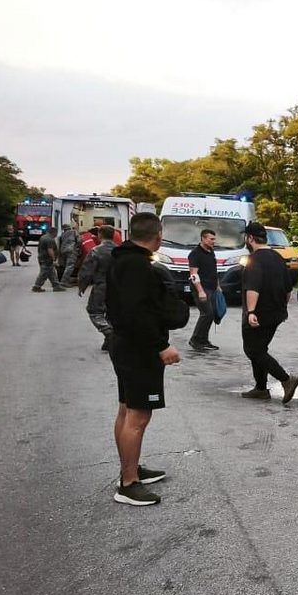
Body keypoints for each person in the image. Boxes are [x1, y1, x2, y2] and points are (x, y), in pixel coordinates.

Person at [106, 212, 186, 507]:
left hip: (125, 344)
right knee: (138, 416)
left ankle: (131, 466)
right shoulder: (138, 266)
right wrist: (162, 345)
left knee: (127, 409)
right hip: (138, 349)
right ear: (158, 236)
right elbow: (136, 313)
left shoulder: (121, 259)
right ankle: (128, 483)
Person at [240, 221, 298, 403]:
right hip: (276, 314)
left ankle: (286, 380)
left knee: (253, 350)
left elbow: (253, 287)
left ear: (250, 238)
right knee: (259, 349)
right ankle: (260, 388)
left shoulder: (255, 260)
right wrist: (282, 307)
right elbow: (289, 288)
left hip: (258, 314)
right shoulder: (278, 258)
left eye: (246, 237)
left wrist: (251, 312)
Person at [77, 225, 117, 351]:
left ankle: (108, 332)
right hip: (117, 287)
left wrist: (82, 286)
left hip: (101, 286)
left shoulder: (96, 251)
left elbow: (87, 271)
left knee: (94, 311)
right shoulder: (120, 251)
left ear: (100, 235)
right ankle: (109, 342)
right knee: (112, 312)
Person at [188, 229, 220, 352]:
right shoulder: (195, 254)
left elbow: (213, 269)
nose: (213, 241)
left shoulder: (211, 251)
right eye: (211, 239)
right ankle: (195, 339)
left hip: (211, 287)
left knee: (211, 314)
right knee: (207, 313)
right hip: (201, 287)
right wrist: (200, 291)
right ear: (203, 238)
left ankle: (204, 340)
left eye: (214, 239)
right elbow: (193, 274)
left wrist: (218, 285)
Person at [32, 226, 65, 292]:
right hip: (46, 259)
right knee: (43, 273)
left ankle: (56, 286)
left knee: (52, 273)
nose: (56, 235)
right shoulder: (49, 239)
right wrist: (53, 259)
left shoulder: (43, 237)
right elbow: (50, 250)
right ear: (54, 232)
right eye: (56, 233)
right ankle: (37, 286)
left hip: (42, 257)